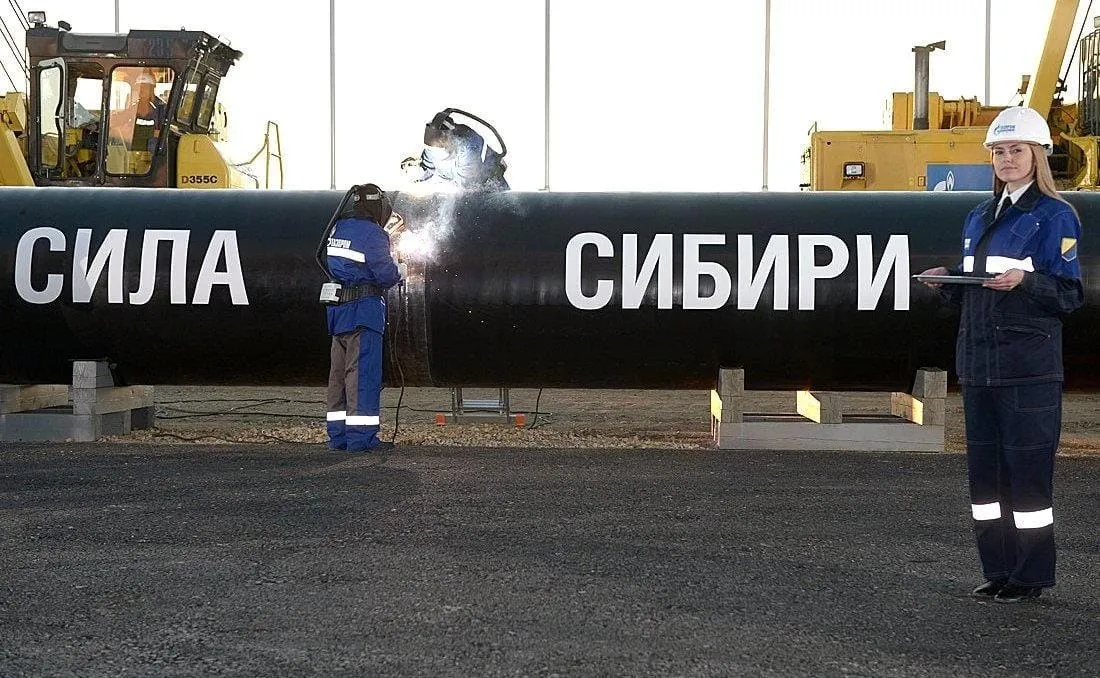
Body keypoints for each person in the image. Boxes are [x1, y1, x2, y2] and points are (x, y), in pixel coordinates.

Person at [919, 106, 1084, 603]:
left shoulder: (1054, 216)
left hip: (1027, 369)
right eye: (999, 152)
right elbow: (977, 291)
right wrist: (949, 282)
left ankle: (1029, 577)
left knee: (1027, 481)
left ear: (1037, 156)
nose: (1007, 159)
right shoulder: (979, 216)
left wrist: (1025, 281)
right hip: (979, 366)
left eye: (1016, 150)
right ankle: (997, 570)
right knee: (986, 482)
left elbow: (1069, 294)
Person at [324, 184, 403, 452]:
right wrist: (399, 270)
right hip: (363, 313)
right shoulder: (373, 233)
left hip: (338, 313)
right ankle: (362, 439)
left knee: (338, 378)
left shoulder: (338, 227)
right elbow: (386, 275)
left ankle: (338, 436)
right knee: (362, 377)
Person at [404, 109, 509, 190]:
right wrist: (416, 172)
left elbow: (467, 186)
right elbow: (428, 168)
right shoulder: (432, 147)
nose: (434, 151)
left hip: (490, 185)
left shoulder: (468, 146)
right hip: (464, 186)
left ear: (449, 137)